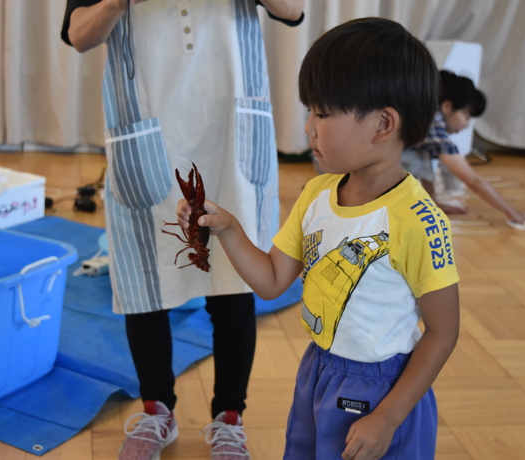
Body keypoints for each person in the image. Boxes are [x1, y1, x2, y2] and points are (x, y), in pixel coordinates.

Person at [175, 17, 460, 459]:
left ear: (383, 124)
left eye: (322, 113)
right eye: (310, 110)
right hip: (319, 370)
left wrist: (387, 417)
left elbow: (442, 332)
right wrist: (227, 228)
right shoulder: (316, 194)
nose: (308, 126)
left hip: (382, 387)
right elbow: (271, 281)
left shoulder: (419, 220)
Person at [61, 1, 304, 459]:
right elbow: (78, 34)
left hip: (230, 129)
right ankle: (157, 413)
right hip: (150, 134)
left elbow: (292, 10)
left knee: (233, 286)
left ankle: (229, 418)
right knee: (145, 282)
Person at [402, 70, 525, 230]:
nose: (466, 125)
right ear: (447, 106)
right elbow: (473, 180)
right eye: (466, 116)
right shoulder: (431, 124)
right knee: (413, 161)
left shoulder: (428, 115)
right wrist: (511, 212)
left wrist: (433, 203)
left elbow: (424, 162)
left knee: (419, 156)